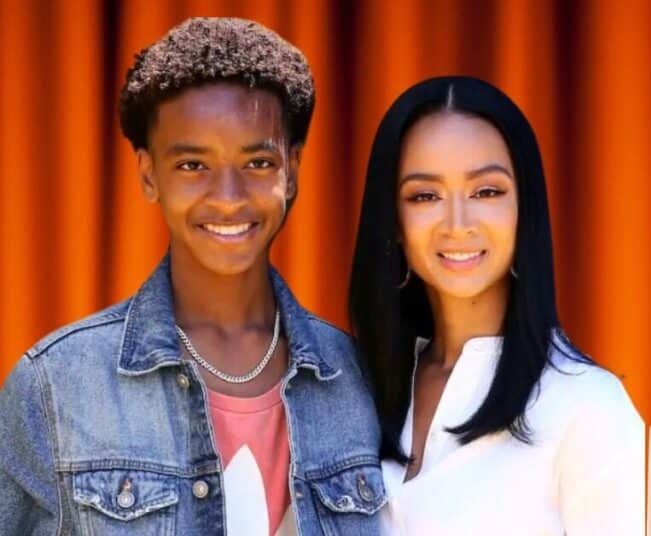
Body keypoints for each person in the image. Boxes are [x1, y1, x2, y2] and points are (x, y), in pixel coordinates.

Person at [0, 18, 383, 535]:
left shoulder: (361, 382)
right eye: (192, 166)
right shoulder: (54, 385)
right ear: (148, 174)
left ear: (292, 170)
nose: (228, 196)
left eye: (259, 161)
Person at [349, 76, 645, 535]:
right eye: (425, 195)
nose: (458, 223)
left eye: (486, 191)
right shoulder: (349, 396)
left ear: (525, 209)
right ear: (393, 222)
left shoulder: (586, 408)